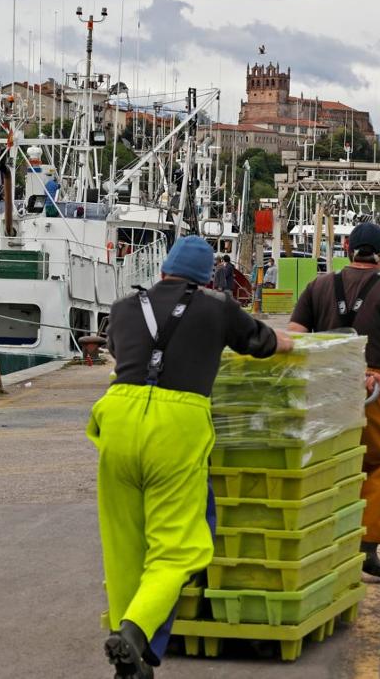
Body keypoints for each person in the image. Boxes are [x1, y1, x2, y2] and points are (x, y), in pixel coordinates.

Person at [92, 235, 293, 677]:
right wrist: (290, 343)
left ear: (163, 270)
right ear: (206, 279)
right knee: (178, 547)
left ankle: (134, 661)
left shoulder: (125, 308)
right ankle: (134, 631)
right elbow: (260, 343)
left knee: (125, 546)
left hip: (119, 418)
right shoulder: (217, 307)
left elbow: (120, 352)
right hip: (175, 427)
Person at [287, 222, 380, 580]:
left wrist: (314, 373)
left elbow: (296, 335)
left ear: (347, 248)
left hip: (326, 384)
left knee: (330, 461)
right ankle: (366, 546)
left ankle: (321, 543)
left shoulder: (317, 286)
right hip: (373, 385)